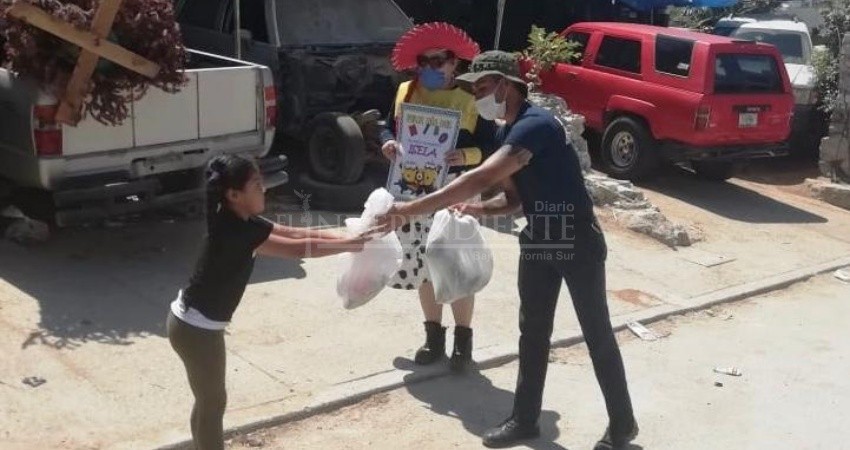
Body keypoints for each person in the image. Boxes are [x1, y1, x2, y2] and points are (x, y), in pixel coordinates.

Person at [374, 51, 638, 449]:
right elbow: (512, 199)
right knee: (532, 331)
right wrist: (476, 208)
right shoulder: (506, 131)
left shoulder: (536, 126)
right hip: (538, 234)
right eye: (475, 89)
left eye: (482, 87)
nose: (477, 96)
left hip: (574, 236)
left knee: (595, 331)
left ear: (506, 84)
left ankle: (622, 424)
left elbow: (484, 174)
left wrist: (410, 208)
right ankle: (525, 419)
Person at [166, 155, 368, 450]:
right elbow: (299, 248)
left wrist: (348, 236)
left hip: (192, 325)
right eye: (257, 185)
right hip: (196, 330)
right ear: (234, 195)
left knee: (209, 402)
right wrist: (352, 244)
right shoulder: (237, 232)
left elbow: (295, 232)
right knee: (213, 403)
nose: (264, 190)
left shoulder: (239, 219)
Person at [380, 22, 496, 371]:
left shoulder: (473, 99)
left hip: (456, 194)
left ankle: (464, 342)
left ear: (453, 62)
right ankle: (434, 339)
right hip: (412, 193)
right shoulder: (406, 92)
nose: (430, 68)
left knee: (455, 266)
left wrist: (467, 156)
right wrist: (387, 140)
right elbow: (388, 125)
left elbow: (493, 148)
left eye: (438, 61)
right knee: (422, 266)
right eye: (424, 62)